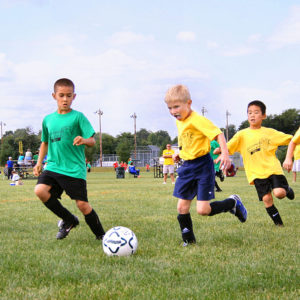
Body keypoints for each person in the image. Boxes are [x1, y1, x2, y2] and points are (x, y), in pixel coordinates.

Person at [164, 84, 247, 246]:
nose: (173, 111)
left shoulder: (198, 120)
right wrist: (179, 153)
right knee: (182, 207)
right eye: (169, 108)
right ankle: (189, 241)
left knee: (203, 210)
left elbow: (218, 134)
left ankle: (232, 203)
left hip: (202, 167)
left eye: (176, 106)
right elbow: (188, 141)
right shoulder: (179, 121)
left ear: (189, 103)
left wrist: (225, 153)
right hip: (187, 167)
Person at [33, 78, 105, 240]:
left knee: (82, 205)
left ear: (74, 96)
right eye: (61, 95)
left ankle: (101, 236)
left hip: (74, 169)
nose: (65, 99)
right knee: (40, 190)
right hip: (53, 166)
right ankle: (69, 220)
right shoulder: (48, 119)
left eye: (69, 95)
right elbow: (45, 143)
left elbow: (92, 141)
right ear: (54, 96)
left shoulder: (78, 117)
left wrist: (84, 140)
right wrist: (39, 162)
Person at [226, 100, 294, 226]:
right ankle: (279, 225)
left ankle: (287, 189)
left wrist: (290, 155)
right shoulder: (241, 135)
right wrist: (219, 150)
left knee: (279, 193)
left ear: (263, 115)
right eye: (249, 112)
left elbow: (291, 140)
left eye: (256, 112)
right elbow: (228, 147)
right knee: (267, 199)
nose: (252, 115)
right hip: (256, 173)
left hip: (273, 169)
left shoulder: (270, 132)